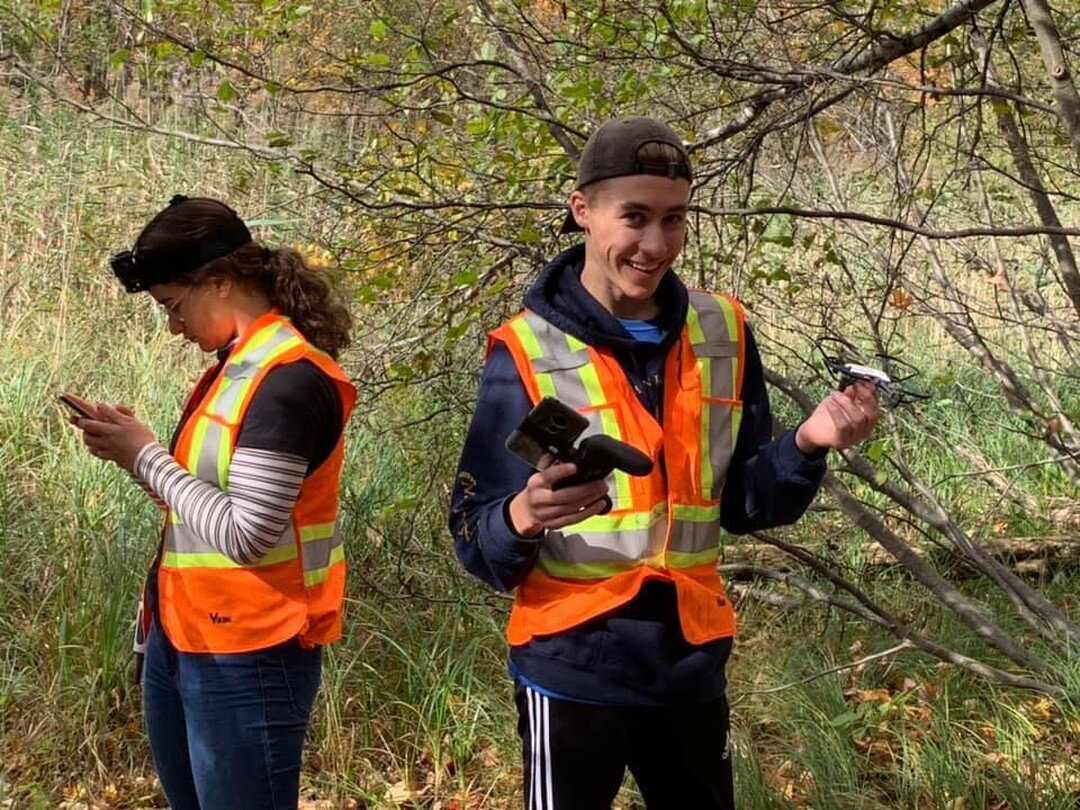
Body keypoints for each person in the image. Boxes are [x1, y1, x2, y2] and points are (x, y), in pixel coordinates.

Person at [448, 117, 881, 809]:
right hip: (571, 665)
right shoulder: (524, 349)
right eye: (636, 218)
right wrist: (524, 514)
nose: (656, 245)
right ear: (582, 209)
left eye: (674, 220)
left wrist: (808, 443)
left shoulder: (723, 330)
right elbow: (476, 540)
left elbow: (747, 506)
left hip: (690, 660)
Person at [69, 195, 357, 809]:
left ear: (223, 283)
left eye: (174, 306)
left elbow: (248, 532)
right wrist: (131, 451)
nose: (174, 327)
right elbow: (200, 506)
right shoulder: (238, 368)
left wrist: (145, 455)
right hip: (187, 637)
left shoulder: (287, 382)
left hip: (251, 654)